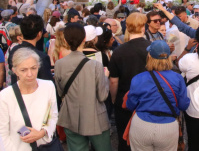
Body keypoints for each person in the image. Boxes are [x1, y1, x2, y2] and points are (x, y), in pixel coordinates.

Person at [55, 23, 111, 150]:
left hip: (70, 115)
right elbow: (102, 96)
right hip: (95, 116)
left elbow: (60, 92)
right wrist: (105, 77)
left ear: (65, 40)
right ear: (84, 39)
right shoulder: (95, 65)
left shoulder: (59, 64)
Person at [125, 40, 190, 150]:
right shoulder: (177, 78)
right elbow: (183, 105)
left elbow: (130, 105)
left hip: (142, 124)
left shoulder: (138, 78)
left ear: (149, 56)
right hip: (168, 127)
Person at [0, 48, 58, 151]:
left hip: (45, 147)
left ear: (38, 67)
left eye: (33, 68)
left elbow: (52, 115)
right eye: (23, 70)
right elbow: (2, 134)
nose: (30, 74)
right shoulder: (4, 97)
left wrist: (42, 133)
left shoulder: (48, 87)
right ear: (15, 71)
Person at [109, 12, 151, 151]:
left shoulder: (119, 51)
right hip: (148, 99)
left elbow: (114, 81)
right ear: (143, 27)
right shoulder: (152, 49)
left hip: (125, 100)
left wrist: (114, 99)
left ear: (127, 27)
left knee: (124, 139)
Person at [7, 15, 53, 85]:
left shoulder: (14, 51)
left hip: (16, 91)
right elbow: (47, 83)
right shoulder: (41, 57)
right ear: (39, 34)